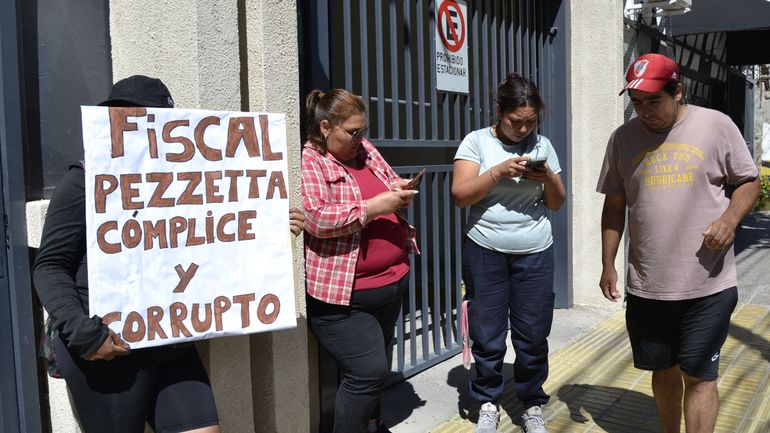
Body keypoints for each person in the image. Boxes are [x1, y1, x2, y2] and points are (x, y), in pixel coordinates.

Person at [32, 75, 306, 433]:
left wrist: (265, 228)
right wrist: (83, 333)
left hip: (169, 340)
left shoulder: (186, 184)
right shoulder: (85, 181)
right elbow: (50, 265)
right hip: (107, 345)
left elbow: (214, 242)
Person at [597, 53, 760, 433]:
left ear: (678, 91)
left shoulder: (716, 126)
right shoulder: (622, 139)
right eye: (637, 103)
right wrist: (608, 263)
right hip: (648, 285)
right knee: (663, 370)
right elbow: (614, 203)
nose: (645, 111)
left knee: (700, 376)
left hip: (708, 284)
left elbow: (749, 181)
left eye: (654, 100)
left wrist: (729, 219)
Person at [451, 73, 566, 433]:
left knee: (532, 333)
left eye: (531, 121)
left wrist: (548, 178)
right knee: (488, 332)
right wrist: (498, 171)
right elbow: (460, 195)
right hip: (485, 249)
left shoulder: (543, 146)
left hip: (535, 250)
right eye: (516, 121)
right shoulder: (476, 143)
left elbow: (557, 203)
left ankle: (531, 402)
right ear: (499, 111)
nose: (523, 129)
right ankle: (488, 399)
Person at [301, 88, 419, 433]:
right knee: (368, 372)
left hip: (391, 282)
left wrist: (397, 188)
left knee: (378, 366)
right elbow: (316, 218)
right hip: (344, 298)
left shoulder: (364, 149)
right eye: (353, 131)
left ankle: (371, 424)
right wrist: (372, 208)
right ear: (326, 127)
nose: (361, 138)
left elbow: (384, 178)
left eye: (363, 130)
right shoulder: (312, 161)